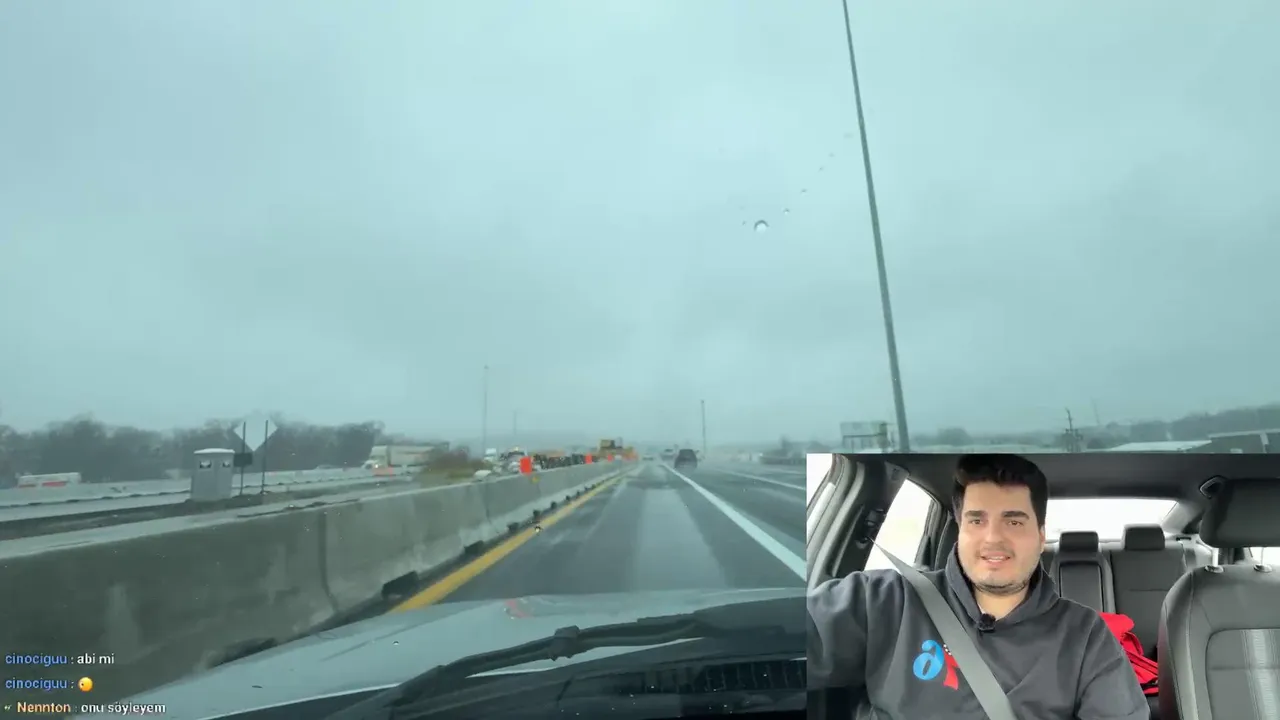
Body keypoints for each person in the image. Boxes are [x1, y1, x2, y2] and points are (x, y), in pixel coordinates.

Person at [808, 453, 1149, 720]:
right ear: (961, 529)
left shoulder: (1086, 637)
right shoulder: (882, 601)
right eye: (977, 520)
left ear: (1040, 536)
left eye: (1013, 521)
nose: (993, 538)